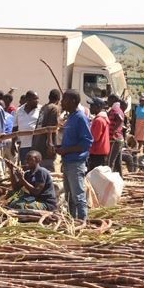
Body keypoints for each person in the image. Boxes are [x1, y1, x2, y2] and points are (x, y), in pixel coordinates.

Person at [55, 89, 93, 221]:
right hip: (67, 162)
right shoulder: (70, 117)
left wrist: (66, 150)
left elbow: (87, 142)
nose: (61, 102)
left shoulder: (80, 118)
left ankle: (82, 221)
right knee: (69, 196)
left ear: (73, 101)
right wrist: (61, 148)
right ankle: (72, 221)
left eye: (64, 99)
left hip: (76, 162)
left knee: (78, 196)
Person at [31, 89, 60, 172]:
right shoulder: (54, 108)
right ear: (58, 99)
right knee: (48, 170)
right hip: (45, 144)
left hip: (38, 142)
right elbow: (50, 127)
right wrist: (50, 143)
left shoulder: (44, 107)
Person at [14, 90, 41, 165]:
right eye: (35, 99)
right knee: (25, 167)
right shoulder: (19, 111)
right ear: (27, 100)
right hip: (23, 145)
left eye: (37, 98)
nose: (37, 101)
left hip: (37, 145)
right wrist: (13, 143)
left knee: (37, 167)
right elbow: (15, 128)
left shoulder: (41, 110)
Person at [87, 97, 110, 172]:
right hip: (100, 151)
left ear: (98, 107)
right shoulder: (102, 118)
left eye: (92, 106)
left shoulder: (99, 120)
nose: (90, 108)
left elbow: (95, 137)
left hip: (97, 152)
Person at [107, 94, 125, 176]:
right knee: (118, 163)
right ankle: (120, 179)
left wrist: (114, 130)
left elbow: (120, 119)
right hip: (119, 139)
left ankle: (109, 180)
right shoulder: (118, 108)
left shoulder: (115, 109)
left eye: (109, 100)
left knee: (110, 161)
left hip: (115, 139)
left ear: (113, 99)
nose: (107, 102)